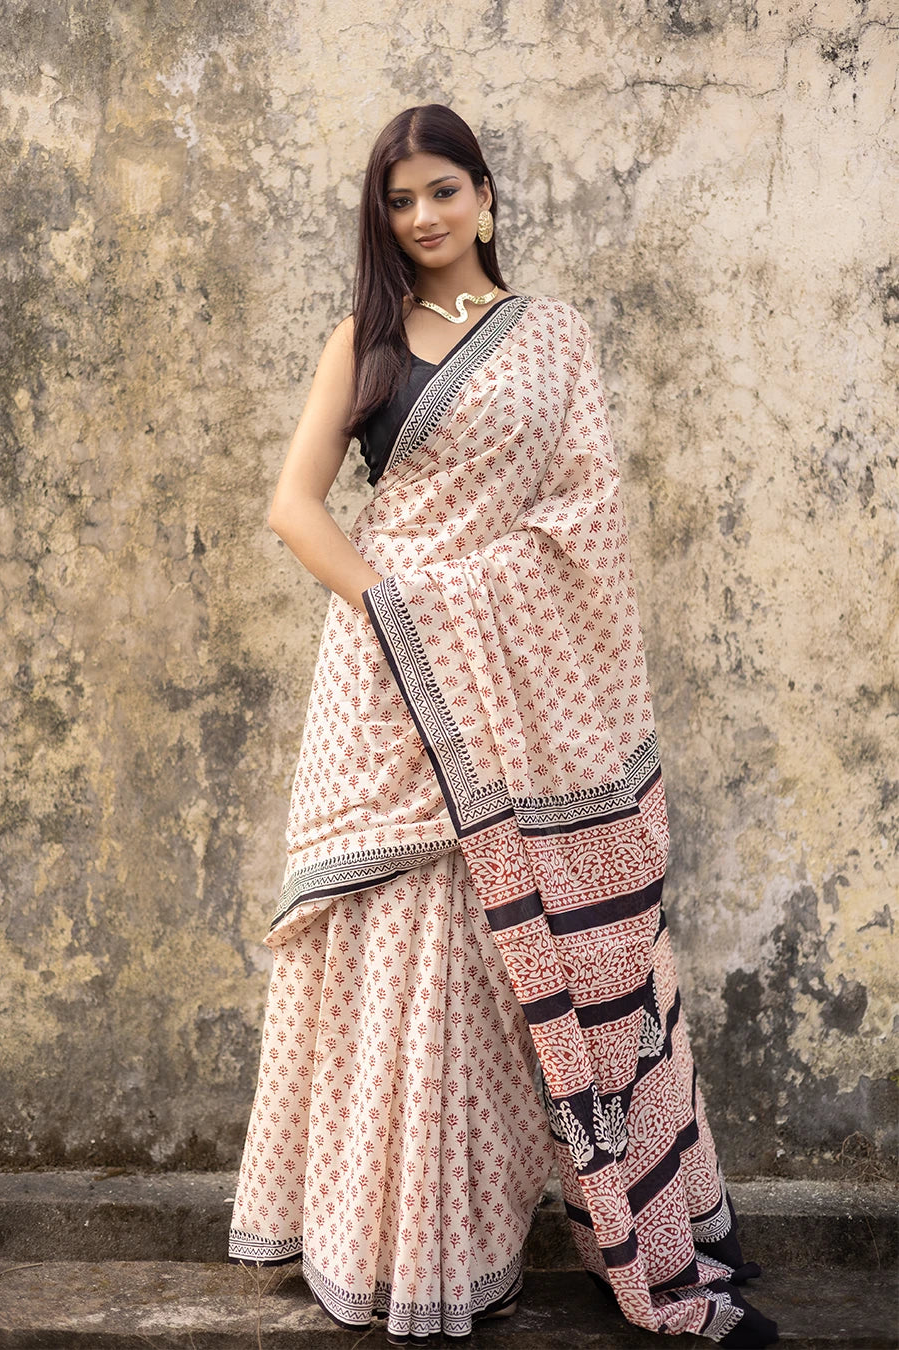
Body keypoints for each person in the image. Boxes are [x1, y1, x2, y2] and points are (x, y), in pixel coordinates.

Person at [228, 104, 778, 1348]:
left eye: (443, 190)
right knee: (402, 957)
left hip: (523, 694)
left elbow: (584, 517)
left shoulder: (552, 338)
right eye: (400, 200)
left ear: (484, 193)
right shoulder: (364, 340)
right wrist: (405, 612)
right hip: (389, 685)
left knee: (509, 971)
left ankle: (571, 1229)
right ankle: (385, 1249)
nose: (423, 217)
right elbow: (295, 508)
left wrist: (466, 601)